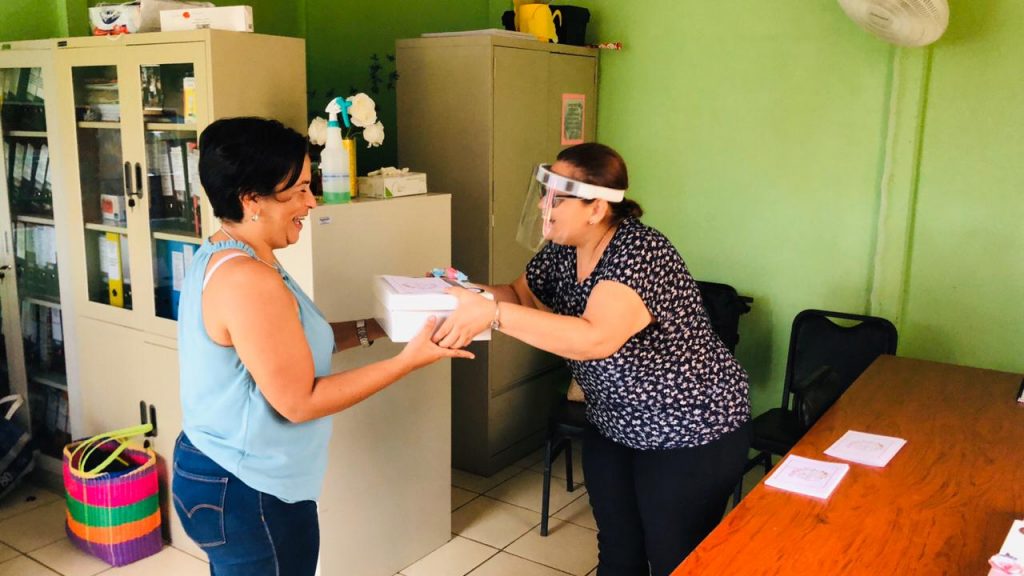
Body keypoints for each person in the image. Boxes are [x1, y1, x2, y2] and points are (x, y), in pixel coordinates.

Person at [171, 117, 472, 576]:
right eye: (298, 192)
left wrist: (393, 321)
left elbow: (294, 340)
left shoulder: (233, 253)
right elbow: (300, 401)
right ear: (251, 199)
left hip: (222, 473)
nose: (311, 202)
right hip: (247, 489)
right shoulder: (248, 279)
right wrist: (408, 362)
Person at [434, 143, 751, 576]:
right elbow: (519, 295)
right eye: (544, 193)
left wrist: (493, 313)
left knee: (675, 556)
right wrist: (458, 296)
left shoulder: (640, 252)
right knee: (618, 551)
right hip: (615, 421)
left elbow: (595, 338)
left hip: (690, 427)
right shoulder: (565, 248)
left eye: (556, 199)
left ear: (596, 208)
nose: (544, 206)